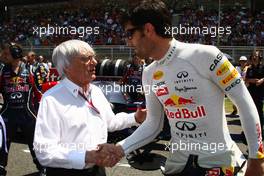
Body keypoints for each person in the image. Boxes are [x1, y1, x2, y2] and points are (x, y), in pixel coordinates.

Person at [101, 1, 264, 176]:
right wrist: (119, 149)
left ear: (148, 30)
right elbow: (153, 124)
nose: (127, 42)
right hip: (177, 166)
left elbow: (244, 103)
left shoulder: (207, 55)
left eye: (129, 34)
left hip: (220, 163)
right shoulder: (148, 73)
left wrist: (257, 158)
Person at [33, 39, 146, 176]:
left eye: (93, 57)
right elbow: (44, 152)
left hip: (97, 170)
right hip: (66, 172)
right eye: (86, 58)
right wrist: (87, 156)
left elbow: (110, 122)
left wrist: (136, 117)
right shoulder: (51, 99)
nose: (94, 62)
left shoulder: (96, 91)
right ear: (67, 66)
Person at [0, 43, 43, 176]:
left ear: (15, 54)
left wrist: (42, 110)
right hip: (8, 113)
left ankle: (43, 168)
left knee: (35, 144)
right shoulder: (2, 71)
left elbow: (38, 92)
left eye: (7, 54)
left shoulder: (30, 70)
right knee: (2, 145)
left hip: (28, 114)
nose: (3, 56)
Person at [245, 50, 264, 135]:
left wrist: (261, 80)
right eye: (253, 56)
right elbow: (246, 79)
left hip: (260, 93)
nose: (254, 57)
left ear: (259, 57)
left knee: (259, 112)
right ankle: (252, 131)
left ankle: (261, 132)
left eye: (256, 56)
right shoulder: (249, 68)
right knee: (251, 112)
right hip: (251, 93)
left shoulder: (263, 67)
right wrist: (251, 80)